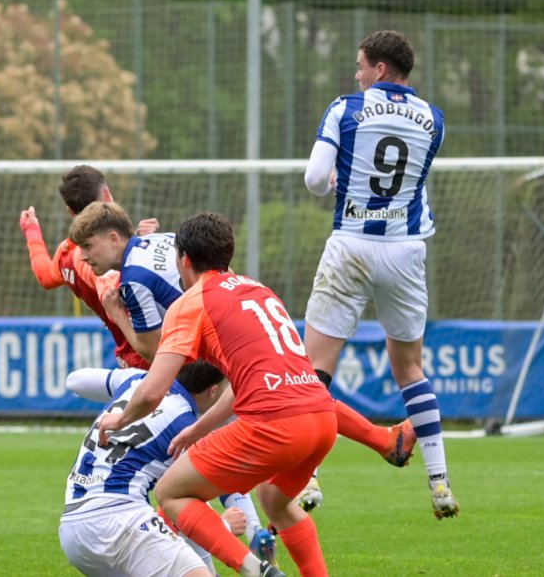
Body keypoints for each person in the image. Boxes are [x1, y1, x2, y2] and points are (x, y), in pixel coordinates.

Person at [98, 212, 337, 577]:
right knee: (275, 500)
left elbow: (153, 389)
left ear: (185, 260)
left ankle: (256, 570)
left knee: (171, 492)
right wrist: (198, 430)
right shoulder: (259, 289)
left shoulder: (191, 302)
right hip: (322, 419)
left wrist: (121, 418)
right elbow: (243, 383)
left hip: (275, 424)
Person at [302, 30, 457, 519]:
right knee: (410, 368)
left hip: (351, 243)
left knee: (313, 371)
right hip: (405, 250)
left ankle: (306, 479)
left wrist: (330, 182)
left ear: (380, 70)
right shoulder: (434, 119)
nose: (357, 73)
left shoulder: (345, 108)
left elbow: (313, 179)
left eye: (361, 65)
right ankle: (439, 483)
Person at [69, 201, 277, 561]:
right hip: (234, 341)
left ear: (114, 238)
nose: (85, 258)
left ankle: (219, 541)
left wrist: (118, 315)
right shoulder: (164, 240)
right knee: (223, 459)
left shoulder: (132, 279)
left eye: (88, 247)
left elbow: (153, 352)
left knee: (188, 477)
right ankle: (257, 536)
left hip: (202, 367)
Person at [61, 360, 252, 577]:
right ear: (213, 391)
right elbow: (203, 495)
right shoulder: (186, 429)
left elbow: (76, 380)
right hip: (119, 521)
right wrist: (225, 526)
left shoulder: (134, 380)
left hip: (72, 527)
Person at [19, 164, 155, 370]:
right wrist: (148, 247)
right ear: (107, 195)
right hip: (151, 355)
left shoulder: (66, 253)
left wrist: (32, 232)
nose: (86, 256)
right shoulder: (98, 258)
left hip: (131, 360)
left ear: (70, 211)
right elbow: (115, 289)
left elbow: (45, 276)